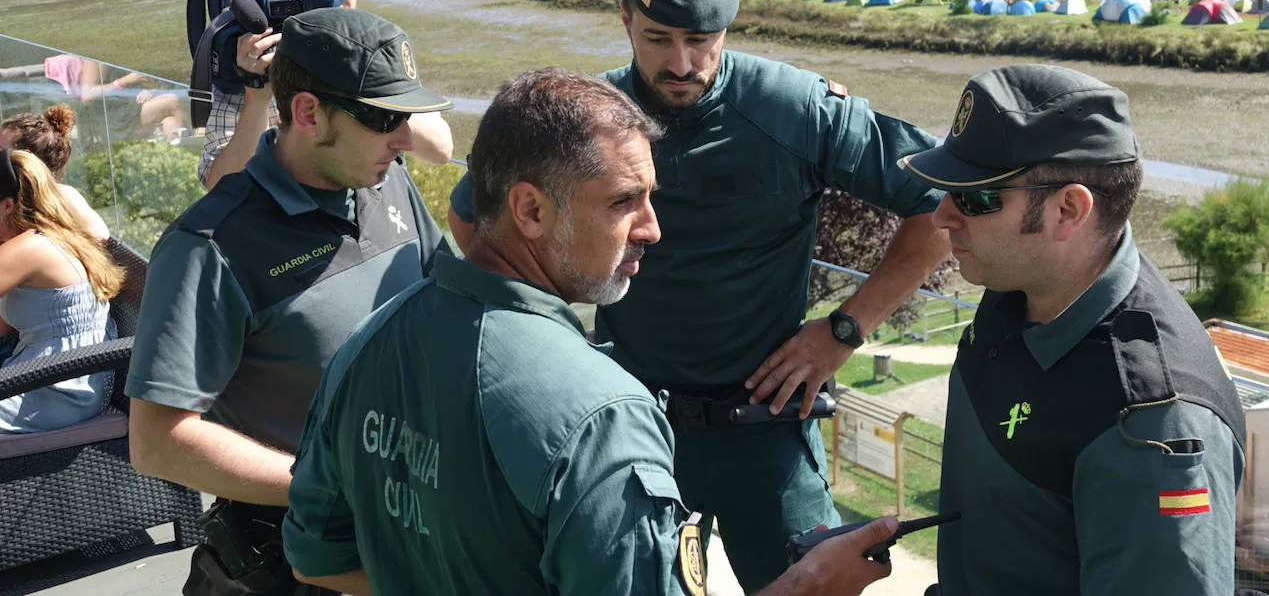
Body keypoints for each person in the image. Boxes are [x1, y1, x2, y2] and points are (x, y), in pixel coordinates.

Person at [448, 0, 950, 592]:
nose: (682, 63)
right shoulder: (586, 120)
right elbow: (473, 215)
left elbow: (942, 202)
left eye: (702, 41)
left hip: (765, 432)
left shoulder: (791, 109)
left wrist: (842, 332)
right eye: (658, 39)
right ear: (625, 21)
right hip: (631, 425)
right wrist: (552, 339)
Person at [284, 67, 899, 596]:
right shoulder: (600, 416)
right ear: (530, 210)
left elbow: (318, 558)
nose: (651, 228)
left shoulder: (368, 342)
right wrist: (807, 583)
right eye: (623, 202)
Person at [126, 8, 452, 595]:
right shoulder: (214, 245)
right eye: (384, 118)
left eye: (406, 115)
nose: (405, 138)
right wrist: (338, 483)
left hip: (409, 531)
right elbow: (158, 441)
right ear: (307, 113)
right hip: (294, 555)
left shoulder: (385, 181)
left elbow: (449, 302)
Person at [896, 64, 1246, 596]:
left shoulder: (1152, 422)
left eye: (976, 197)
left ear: (1068, 210)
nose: (942, 215)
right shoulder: (1018, 287)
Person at [200, 0, 453, 189]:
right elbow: (219, 186)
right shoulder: (255, 56)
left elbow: (440, 151)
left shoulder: (381, 46)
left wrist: (364, 81)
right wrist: (256, 94)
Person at [0, 148, 122, 433]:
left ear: (7, 206)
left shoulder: (29, 249)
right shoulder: (55, 237)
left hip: (54, 388)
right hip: (66, 377)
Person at [1, 103, 110, 240]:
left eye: (1, 150)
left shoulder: (59, 196)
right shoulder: (6, 195)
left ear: (28, 159)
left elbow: (99, 234)